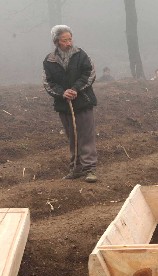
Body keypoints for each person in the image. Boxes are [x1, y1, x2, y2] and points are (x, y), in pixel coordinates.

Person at [42, 25, 98, 183]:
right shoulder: (49, 60)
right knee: (72, 137)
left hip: (83, 102)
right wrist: (62, 93)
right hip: (64, 105)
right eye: (64, 40)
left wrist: (75, 89)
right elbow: (48, 82)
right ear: (56, 42)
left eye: (70, 39)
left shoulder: (81, 55)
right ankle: (76, 168)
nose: (68, 43)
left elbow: (90, 74)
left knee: (86, 136)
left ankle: (90, 169)